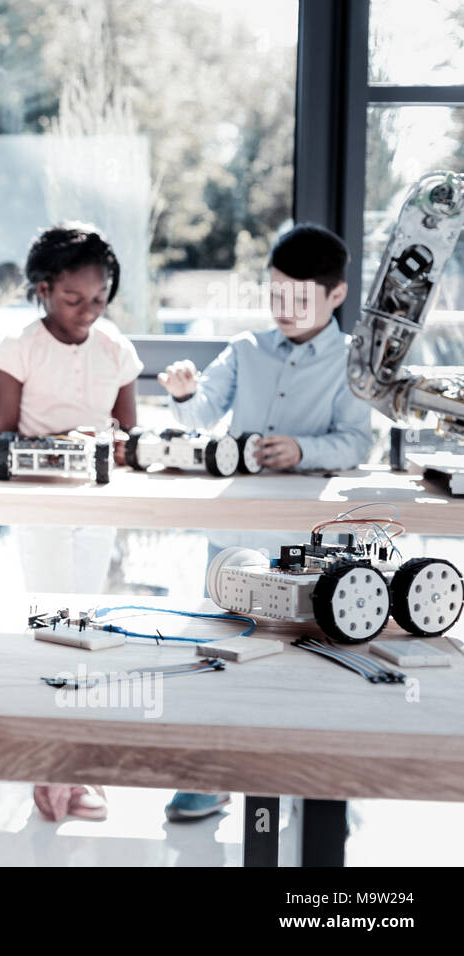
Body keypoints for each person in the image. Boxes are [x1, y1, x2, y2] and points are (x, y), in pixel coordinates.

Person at [157, 222, 373, 822]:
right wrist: (180, 392)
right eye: (275, 293)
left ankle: (315, 778)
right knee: (221, 649)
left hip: (309, 542)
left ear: (335, 295)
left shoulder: (354, 360)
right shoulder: (246, 348)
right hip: (236, 536)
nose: (283, 308)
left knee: (314, 657)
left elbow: (356, 441)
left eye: (298, 297)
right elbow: (202, 409)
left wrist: (304, 450)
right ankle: (211, 774)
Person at [0, 224, 143, 823]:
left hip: (95, 506)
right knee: (53, 625)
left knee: (88, 625)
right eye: (74, 300)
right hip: (42, 504)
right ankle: (51, 766)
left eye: (99, 300)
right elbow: (2, 440)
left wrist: (111, 444)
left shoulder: (116, 350)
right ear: (44, 290)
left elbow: (128, 438)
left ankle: (73, 766)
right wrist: (63, 443)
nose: (88, 311)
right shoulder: (17, 346)